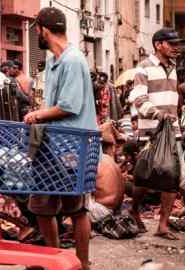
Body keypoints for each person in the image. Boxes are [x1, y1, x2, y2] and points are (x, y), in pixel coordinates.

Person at [23, 7, 98, 270]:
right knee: (41, 206)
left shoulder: (72, 60)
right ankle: (55, 259)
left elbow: (69, 106)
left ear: (44, 30)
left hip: (72, 146)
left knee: (76, 209)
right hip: (51, 145)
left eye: (38, 31)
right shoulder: (54, 62)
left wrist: (37, 115)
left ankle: (82, 264)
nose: (38, 36)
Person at [128, 28, 184, 240]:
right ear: (158, 44)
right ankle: (133, 209)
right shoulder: (144, 68)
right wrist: (157, 114)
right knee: (144, 178)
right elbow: (139, 99)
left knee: (172, 177)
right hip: (150, 131)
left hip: (172, 131)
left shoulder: (174, 68)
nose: (176, 48)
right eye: (172, 44)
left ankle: (162, 225)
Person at [88, 154, 124, 224]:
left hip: (102, 210)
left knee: (75, 206)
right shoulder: (109, 159)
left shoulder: (91, 161)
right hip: (115, 209)